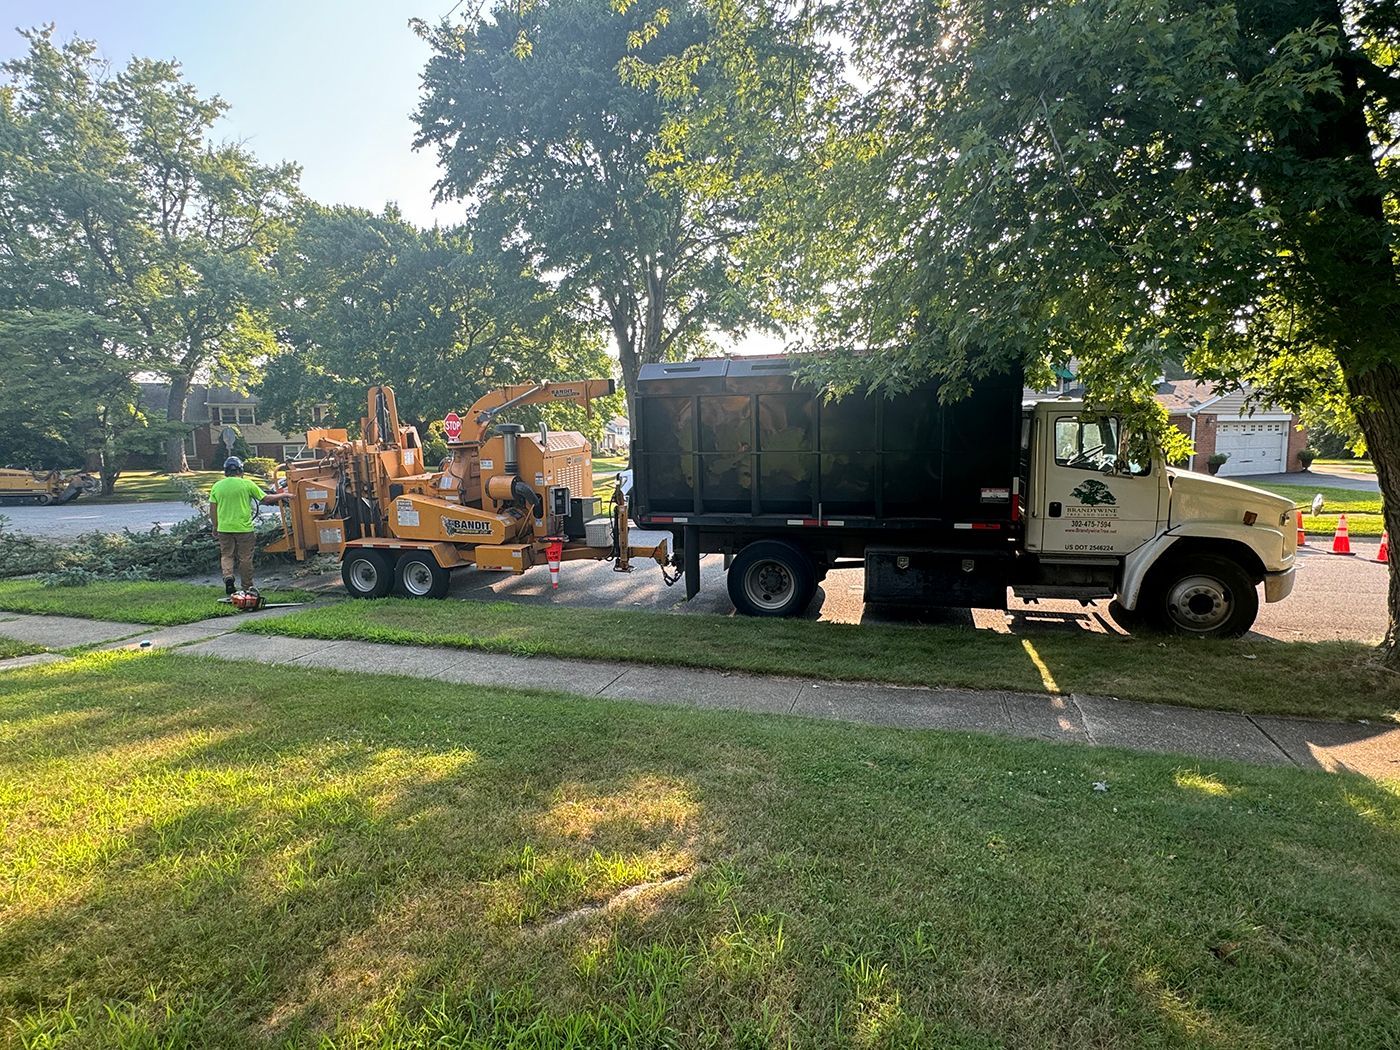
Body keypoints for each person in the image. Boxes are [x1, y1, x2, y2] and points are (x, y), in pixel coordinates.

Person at [208, 456, 289, 595]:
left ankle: (228, 577)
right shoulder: (247, 484)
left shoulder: (217, 486)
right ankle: (247, 587)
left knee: (227, 555)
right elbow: (266, 499)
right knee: (245, 557)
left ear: (225, 471)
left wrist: (215, 526)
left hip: (224, 528)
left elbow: (213, 510)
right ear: (241, 470)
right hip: (244, 529)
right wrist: (284, 495)